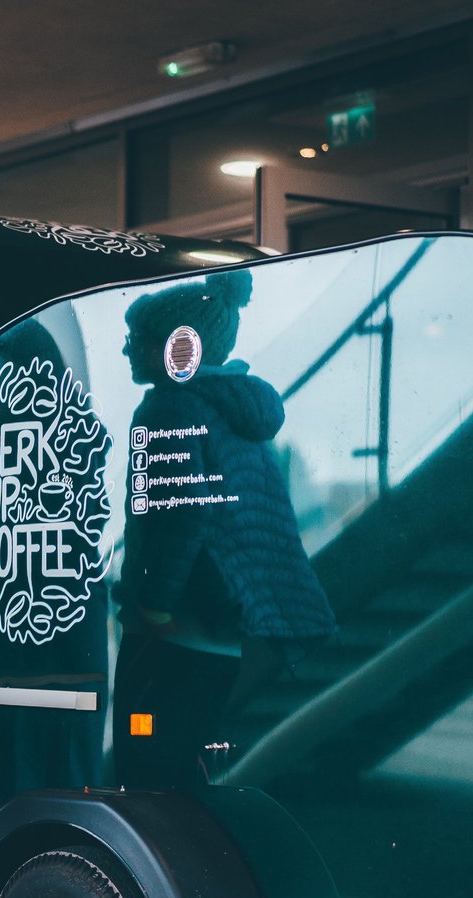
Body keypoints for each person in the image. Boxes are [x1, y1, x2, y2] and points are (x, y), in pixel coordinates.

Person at [111, 269, 336, 789]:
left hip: (170, 635)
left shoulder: (169, 407)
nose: (126, 349)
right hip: (222, 636)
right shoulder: (235, 412)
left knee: (144, 775)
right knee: (188, 774)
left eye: (138, 338)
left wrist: (153, 605)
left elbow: (178, 515)